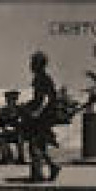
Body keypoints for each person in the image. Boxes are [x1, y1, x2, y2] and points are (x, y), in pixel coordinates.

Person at [21, 51, 62, 183]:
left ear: (39, 64)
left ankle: (39, 173)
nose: (30, 65)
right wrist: (26, 106)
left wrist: (36, 112)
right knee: (39, 144)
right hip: (43, 116)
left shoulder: (42, 78)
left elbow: (45, 99)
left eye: (33, 63)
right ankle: (48, 168)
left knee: (35, 145)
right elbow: (38, 99)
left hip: (43, 117)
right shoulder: (41, 78)